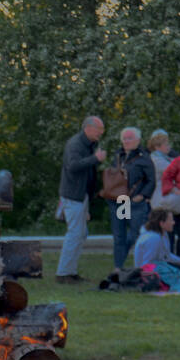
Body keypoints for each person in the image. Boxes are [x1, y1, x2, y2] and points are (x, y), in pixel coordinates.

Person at [55, 116, 106, 283]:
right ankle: (63, 274)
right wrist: (95, 159)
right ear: (88, 128)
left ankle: (70, 271)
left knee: (81, 233)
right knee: (75, 234)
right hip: (73, 196)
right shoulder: (75, 144)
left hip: (81, 196)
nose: (101, 132)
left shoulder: (89, 145)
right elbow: (73, 166)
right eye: (99, 129)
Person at [110, 127, 155, 269]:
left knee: (137, 235)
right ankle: (118, 268)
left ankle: (141, 267)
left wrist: (143, 196)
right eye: (124, 138)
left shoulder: (144, 158)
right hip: (121, 201)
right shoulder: (118, 156)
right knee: (119, 236)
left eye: (130, 138)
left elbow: (151, 180)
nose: (127, 141)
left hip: (135, 203)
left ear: (138, 140)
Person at [133, 208, 180, 285]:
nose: (173, 223)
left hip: (161, 265)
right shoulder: (152, 238)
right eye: (171, 220)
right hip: (152, 270)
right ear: (162, 223)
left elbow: (167, 256)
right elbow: (146, 265)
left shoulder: (163, 234)